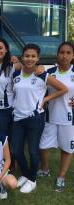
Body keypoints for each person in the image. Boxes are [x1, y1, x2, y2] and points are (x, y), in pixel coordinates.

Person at [11, 43, 67, 193]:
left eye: (33, 56)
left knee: (34, 151)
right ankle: (25, 173)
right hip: (17, 118)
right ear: (22, 57)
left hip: (34, 118)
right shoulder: (16, 73)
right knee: (16, 150)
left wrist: (46, 99)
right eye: (27, 56)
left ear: (38, 58)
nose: (29, 59)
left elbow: (63, 89)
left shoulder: (42, 74)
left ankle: (32, 180)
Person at [39, 42, 74, 192]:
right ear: (57, 54)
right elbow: (40, 91)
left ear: (73, 56)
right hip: (49, 116)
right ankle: (45, 169)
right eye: (61, 52)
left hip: (69, 119)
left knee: (66, 149)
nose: (64, 55)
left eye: (68, 53)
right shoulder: (50, 72)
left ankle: (61, 176)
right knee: (42, 146)